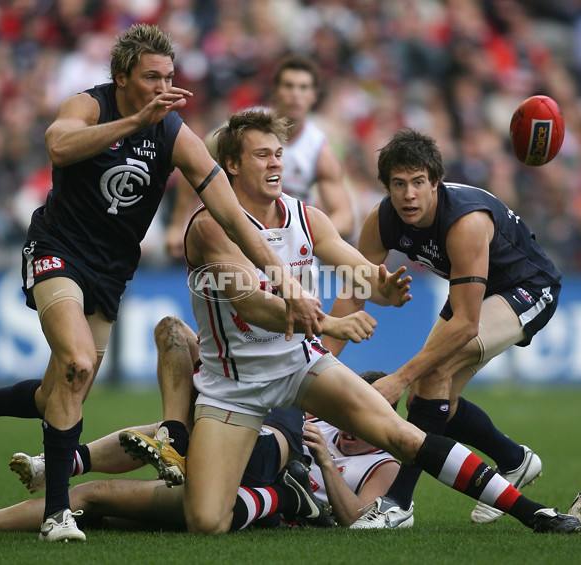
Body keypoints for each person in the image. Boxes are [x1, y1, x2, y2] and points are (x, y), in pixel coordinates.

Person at [132, 108, 579, 535]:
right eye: (262, 155)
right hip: (234, 384)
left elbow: (359, 274)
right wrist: (331, 325)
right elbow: (255, 307)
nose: (275, 164)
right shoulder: (211, 226)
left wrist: (381, 287)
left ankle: (532, 513)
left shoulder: (307, 216)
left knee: (405, 430)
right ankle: (88, 490)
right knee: (207, 520)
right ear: (231, 163)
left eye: (279, 154)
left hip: (300, 363)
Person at [0, 24, 324, 543]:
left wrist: (282, 280)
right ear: (121, 77)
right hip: (57, 252)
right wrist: (134, 122)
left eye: (169, 76)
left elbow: (230, 214)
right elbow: (58, 145)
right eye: (150, 77)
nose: (163, 86)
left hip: (110, 272)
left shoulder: (171, 133)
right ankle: (57, 514)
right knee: (77, 362)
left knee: (62, 388)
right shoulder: (91, 106)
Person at [323, 127, 564, 528]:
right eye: (398, 184)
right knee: (434, 398)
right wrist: (316, 365)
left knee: (428, 374)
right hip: (472, 290)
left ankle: (398, 503)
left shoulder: (464, 221)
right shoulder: (382, 218)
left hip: (527, 288)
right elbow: (355, 292)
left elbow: (467, 324)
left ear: (435, 182)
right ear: (386, 187)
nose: (408, 195)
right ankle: (513, 460)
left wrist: (397, 378)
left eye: (418, 182)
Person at [0, 318, 398, 532]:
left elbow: (360, 519)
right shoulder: (321, 417)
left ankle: (282, 496)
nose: (351, 424)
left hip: (255, 476)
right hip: (233, 459)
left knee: (98, 501)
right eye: (351, 413)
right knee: (171, 333)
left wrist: (325, 463)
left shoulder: (384, 463)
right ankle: (169, 440)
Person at [165, 54, 354, 260]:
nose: (295, 95)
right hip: (240, 241)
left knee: (298, 292)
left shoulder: (318, 148)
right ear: (275, 91)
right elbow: (194, 162)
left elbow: (345, 216)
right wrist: (177, 224)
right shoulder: (244, 128)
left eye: (303, 88)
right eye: (289, 86)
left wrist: (300, 233)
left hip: (296, 254)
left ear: (314, 95)